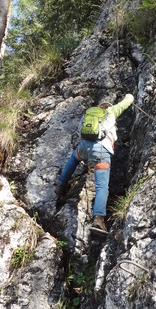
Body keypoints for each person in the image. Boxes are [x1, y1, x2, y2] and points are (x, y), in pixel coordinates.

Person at [57, 94, 134, 234]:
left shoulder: (90, 115)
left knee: (74, 158)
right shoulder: (111, 112)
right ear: (108, 107)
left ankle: (61, 184)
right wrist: (130, 96)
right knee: (102, 186)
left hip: (84, 145)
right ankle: (98, 219)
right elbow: (127, 102)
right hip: (101, 150)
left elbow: (80, 130)